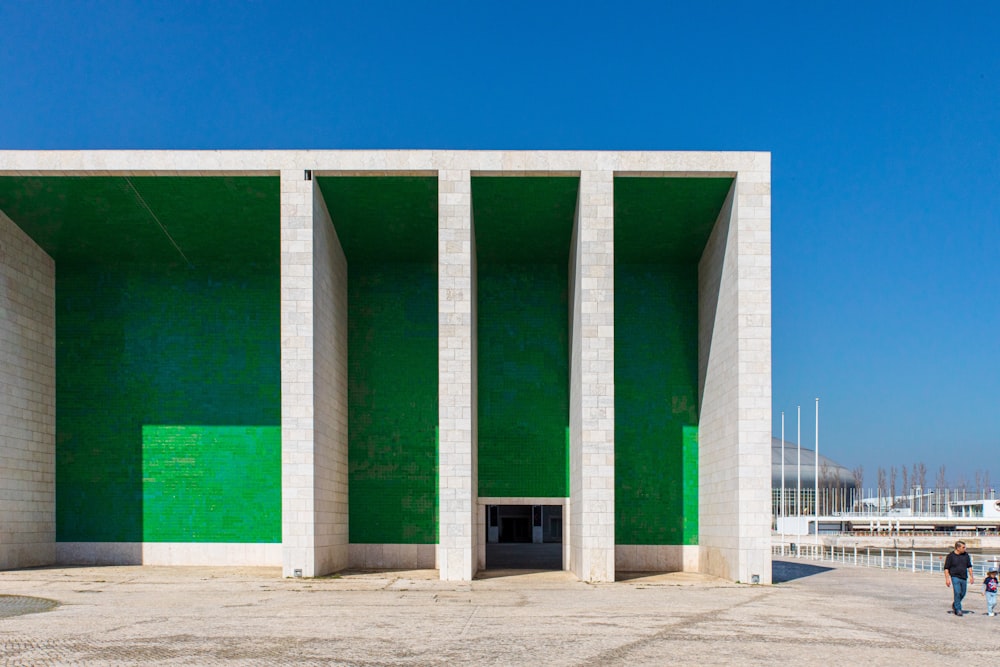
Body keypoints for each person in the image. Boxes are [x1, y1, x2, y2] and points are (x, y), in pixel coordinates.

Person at [944, 540, 974, 616]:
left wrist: (971, 577)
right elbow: (946, 568)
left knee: (963, 593)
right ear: (958, 548)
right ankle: (958, 609)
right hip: (955, 576)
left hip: (964, 577)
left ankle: (955, 604)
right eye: (963, 547)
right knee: (957, 592)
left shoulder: (966, 555)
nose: (965, 549)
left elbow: (969, 566)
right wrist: (947, 579)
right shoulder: (950, 556)